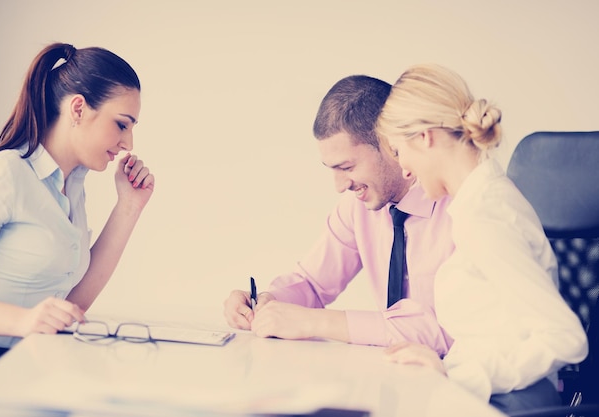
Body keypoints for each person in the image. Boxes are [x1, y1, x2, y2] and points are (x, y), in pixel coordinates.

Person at [376, 63, 588, 413]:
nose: (405, 171)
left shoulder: (487, 213)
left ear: (424, 136)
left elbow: (565, 339)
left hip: (510, 403)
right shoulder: (476, 204)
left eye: (400, 152)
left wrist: (453, 372)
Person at [223, 75, 454, 351]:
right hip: (393, 373)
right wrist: (266, 303)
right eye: (331, 169)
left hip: (459, 379)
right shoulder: (358, 207)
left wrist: (316, 322)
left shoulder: (460, 208)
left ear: (389, 144)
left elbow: (450, 332)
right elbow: (312, 283)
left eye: (346, 168)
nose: (339, 186)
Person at [0, 43, 155, 372]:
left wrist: (129, 206)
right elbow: (34, 319)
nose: (129, 143)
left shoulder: (71, 187)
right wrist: (24, 321)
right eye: (122, 124)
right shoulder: (5, 174)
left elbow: (71, 307)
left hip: (31, 366)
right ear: (78, 109)